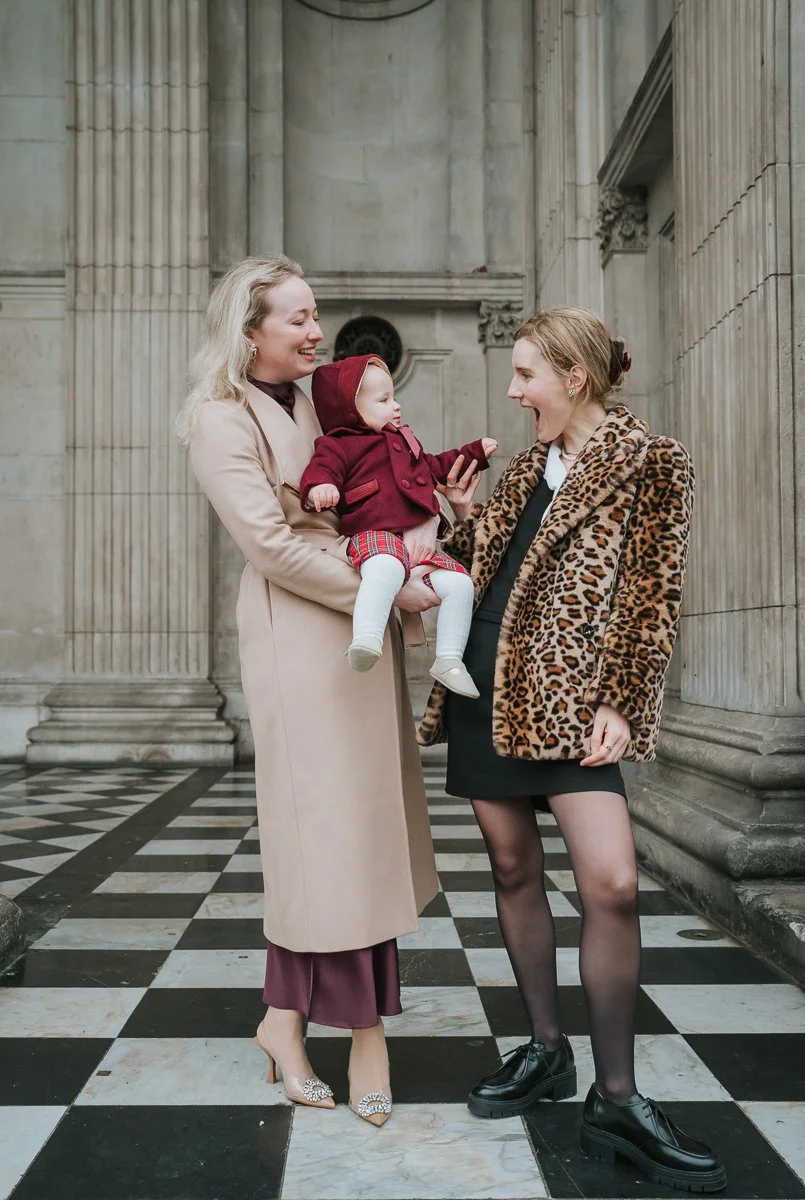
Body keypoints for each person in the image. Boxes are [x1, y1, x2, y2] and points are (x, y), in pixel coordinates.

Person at [419, 307, 726, 1192]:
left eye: (526, 376)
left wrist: (623, 704)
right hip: (483, 687)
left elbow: (651, 594)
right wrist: (465, 520)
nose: (515, 392)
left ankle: (618, 1097)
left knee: (612, 883)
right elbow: (485, 573)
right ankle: (547, 1052)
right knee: (512, 872)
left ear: (573, 379)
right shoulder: (523, 465)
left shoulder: (652, 461)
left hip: (571, 704)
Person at [177, 255, 444, 1127]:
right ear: (247, 329)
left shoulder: (317, 404)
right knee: (325, 842)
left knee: (357, 836)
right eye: (296, 317)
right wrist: (385, 583)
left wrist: (429, 524)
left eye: (314, 312)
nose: (313, 329)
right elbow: (271, 547)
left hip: (353, 632)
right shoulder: (221, 419)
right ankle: (363, 1033)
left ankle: (284, 1022)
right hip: (302, 638)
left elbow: (377, 501)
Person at [300, 353, 497, 697]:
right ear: (351, 408)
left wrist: (473, 453)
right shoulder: (338, 444)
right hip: (372, 536)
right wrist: (321, 488)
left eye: (394, 396)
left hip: (416, 551)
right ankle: (366, 637)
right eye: (383, 400)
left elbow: (436, 466)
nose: (396, 406)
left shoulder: (404, 441)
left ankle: (449, 659)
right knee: (386, 566)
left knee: (460, 584)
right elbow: (321, 470)